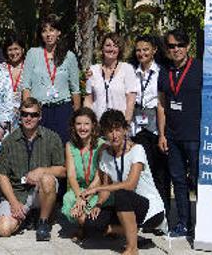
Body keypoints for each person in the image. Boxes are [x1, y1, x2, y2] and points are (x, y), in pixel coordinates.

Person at [82, 109, 166, 255]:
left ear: (125, 130)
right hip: (124, 206)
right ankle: (130, 230)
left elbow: (130, 185)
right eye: (109, 131)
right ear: (104, 133)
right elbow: (107, 188)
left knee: (122, 193)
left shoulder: (137, 149)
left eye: (118, 130)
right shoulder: (106, 155)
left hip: (150, 209)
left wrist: (95, 189)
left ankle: (132, 248)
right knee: (90, 224)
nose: (114, 135)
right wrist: (99, 203)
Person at [0, 97, 65, 241]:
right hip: (18, 193)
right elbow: (2, 175)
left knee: (47, 179)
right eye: (25, 114)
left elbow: (63, 171)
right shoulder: (9, 141)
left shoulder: (52, 138)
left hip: (41, 191)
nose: (29, 118)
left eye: (34, 115)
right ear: (19, 116)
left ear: (40, 116)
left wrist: (42, 171)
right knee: (4, 229)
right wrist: (13, 202)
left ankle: (43, 222)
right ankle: (26, 217)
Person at [157, 29, 202, 239]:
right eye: (171, 46)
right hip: (173, 136)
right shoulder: (164, 71)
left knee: (197, 180)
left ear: (188, 46)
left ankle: (202, 224)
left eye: (180, 45)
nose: (176, 50)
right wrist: (162, 134)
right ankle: (184, 223)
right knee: (178, 181)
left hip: (195, 135)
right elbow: (161, 104)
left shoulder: (199, 68)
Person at [21, 15, 80, 144]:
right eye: (44, 31)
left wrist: (77, 118)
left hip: (62, 110)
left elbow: (75, 90)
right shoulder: (33, 53)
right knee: (39, 149)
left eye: (52, 30)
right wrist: (28, 113)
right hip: (39, 110)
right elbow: (26, 86)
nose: (48, 34)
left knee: (62, 148)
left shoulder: (69, 56)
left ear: (59, 32)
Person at [130, 34, 170, 213]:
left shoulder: (162, 72)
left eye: (146, 49)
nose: (142, 53)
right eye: (138, 50)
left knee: (160, 173)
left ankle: (163, 214)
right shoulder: (131, 71)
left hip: (156, 127)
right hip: (137, 127)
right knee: (143, 173)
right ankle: (147, 213)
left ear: (154, 50)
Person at [60, 107, 104, 235]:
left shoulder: (102, 145)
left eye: (86, 124)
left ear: (93, 125)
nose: (82, 128)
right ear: (73, 126)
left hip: (96, 190)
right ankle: (82, 224)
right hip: (79, 189)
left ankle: (89, 226)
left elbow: (99, 177)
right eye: (78, 124)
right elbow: (71, 175)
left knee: (84, 213)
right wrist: (80, 196)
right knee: (69, 199)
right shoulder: (70, 145)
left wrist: (85, 198)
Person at [85, 32, 138, 122]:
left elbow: (131, 100)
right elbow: (88, 100)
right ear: (102, 48)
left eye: (115, 46)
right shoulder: (92, 70)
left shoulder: (127, 69)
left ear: (119, 49)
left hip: (119, 124)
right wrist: (88, 121)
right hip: (98, 123)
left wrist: (126, 122)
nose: (111, 49)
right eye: (108, 45)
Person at [3, 35, 27, 123]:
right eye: (10, 49)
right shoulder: (1, 68)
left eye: (16, 49)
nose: (13, 53)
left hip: (24, 115)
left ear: (23, 50)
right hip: (4, 115)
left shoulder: (29, 68)